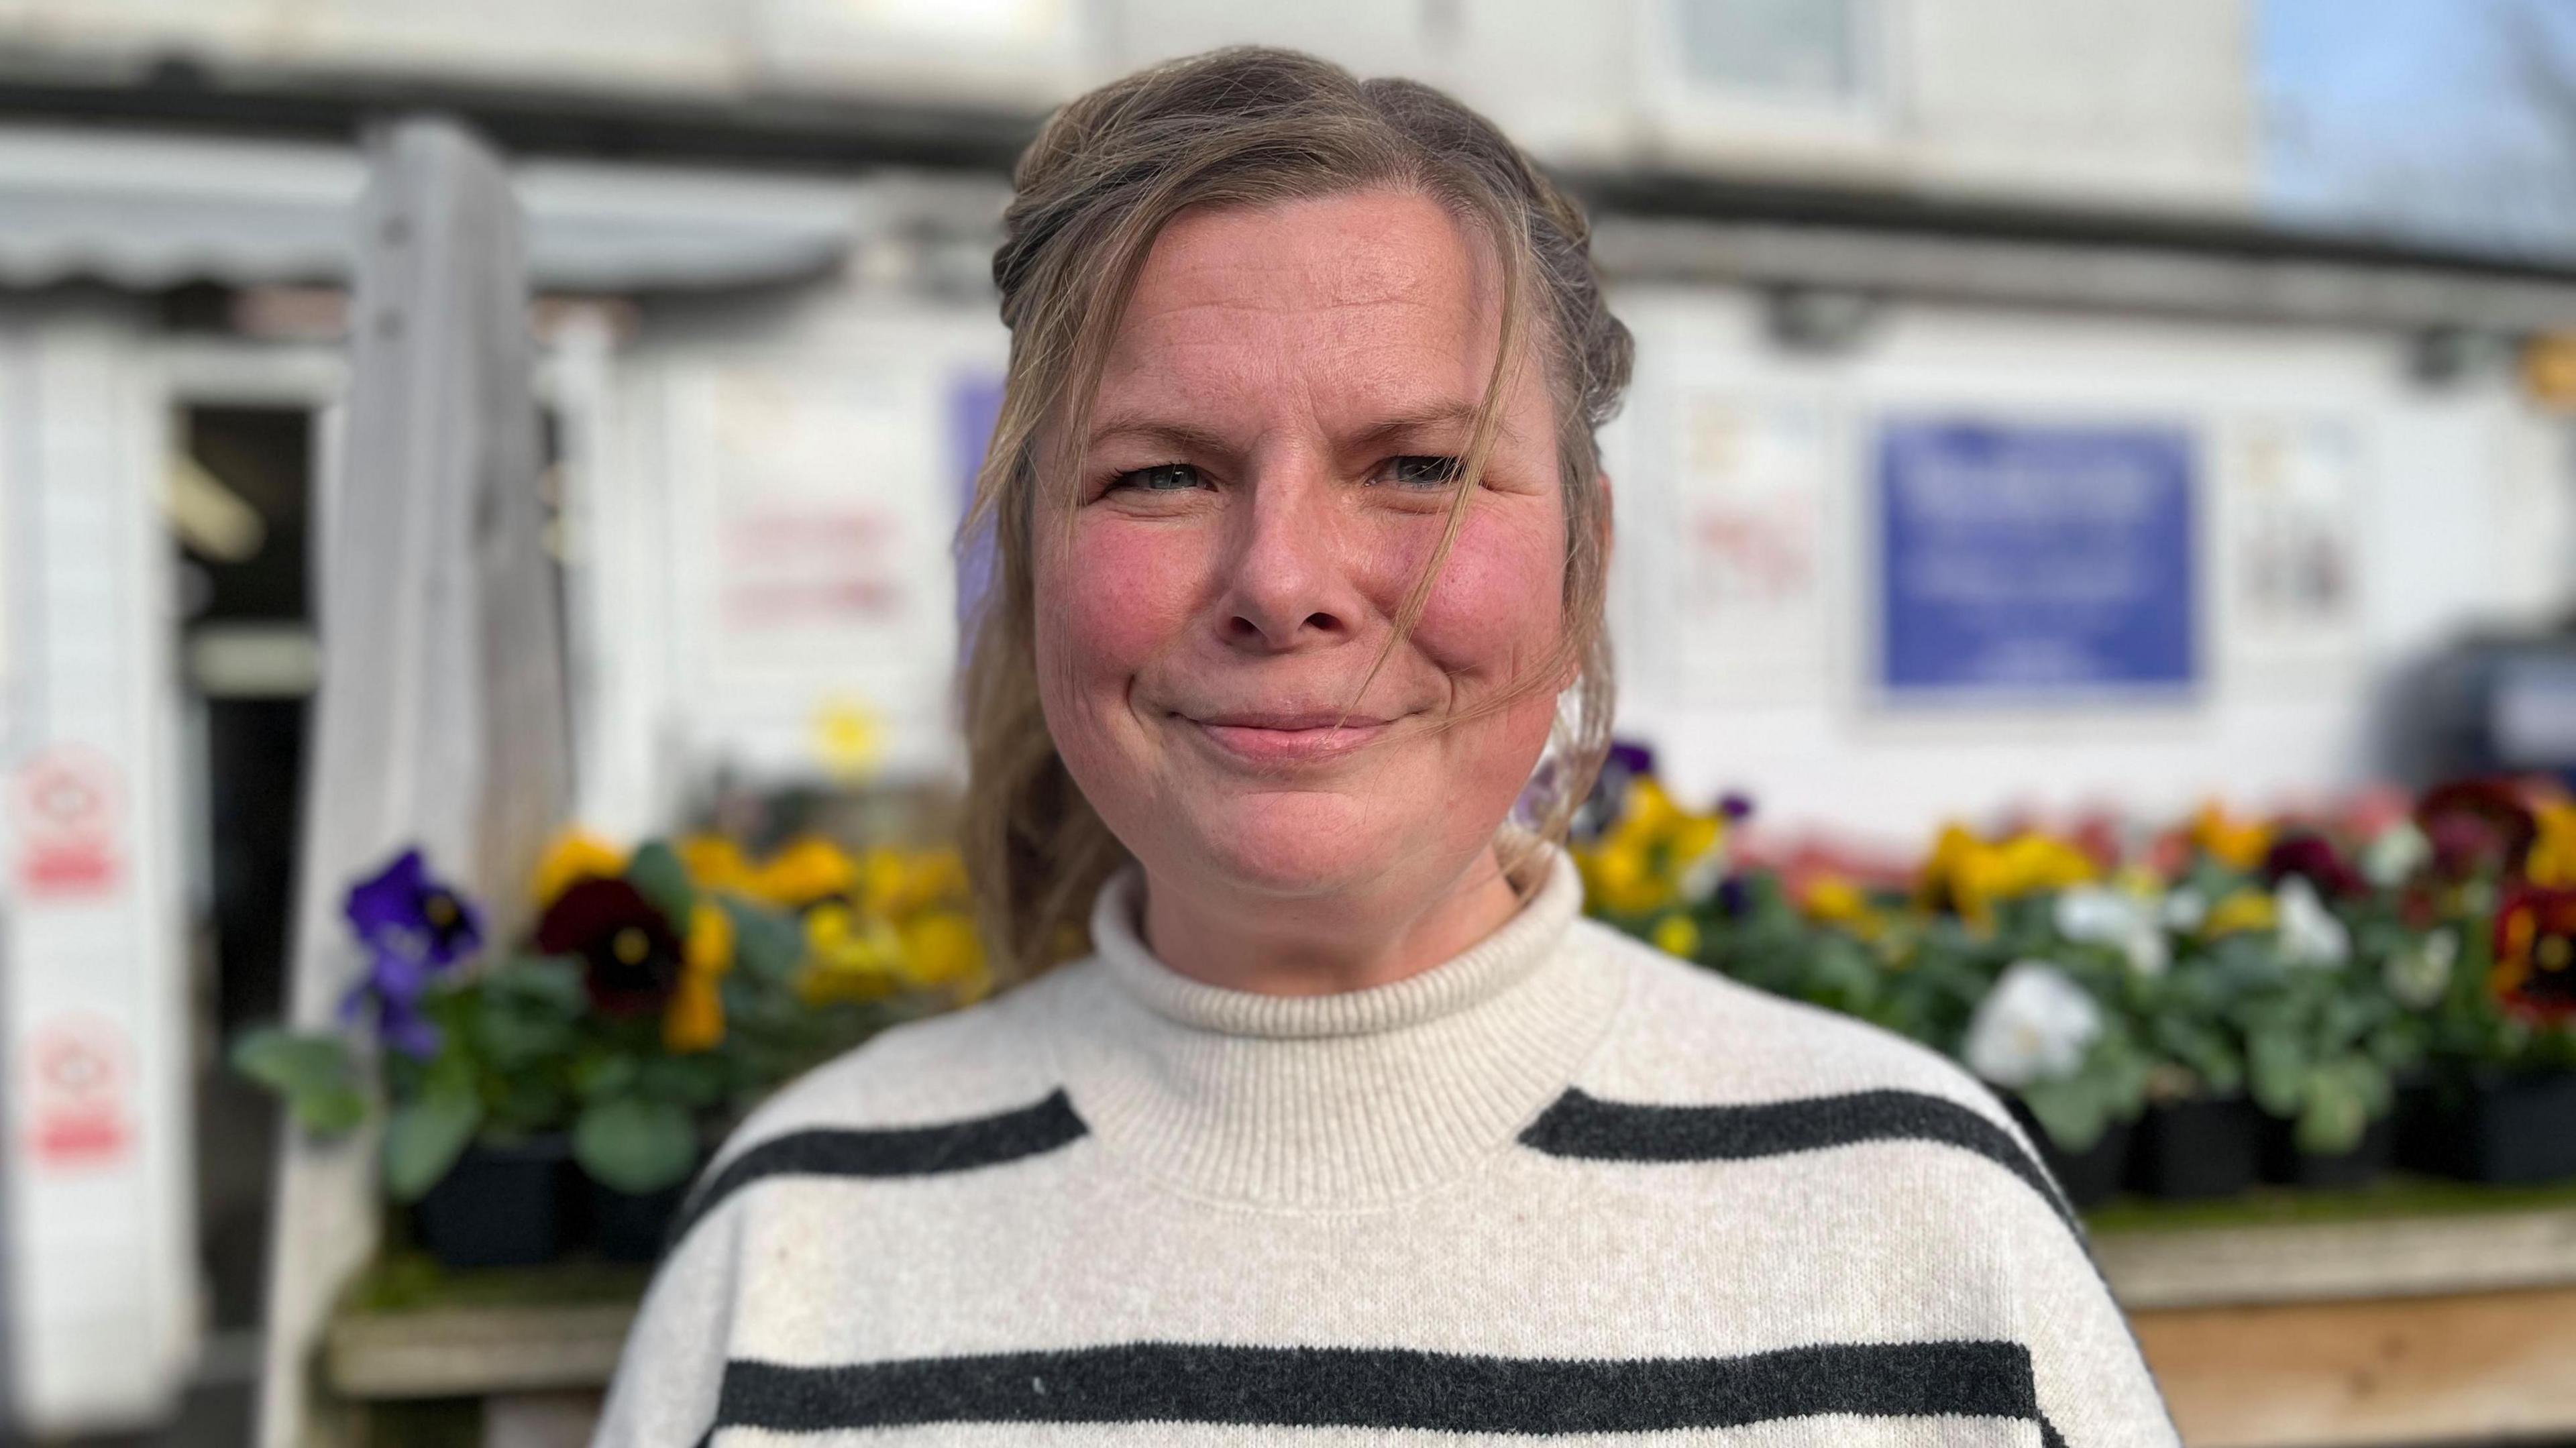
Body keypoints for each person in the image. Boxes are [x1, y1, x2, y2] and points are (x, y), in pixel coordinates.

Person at [596, 46, 2177, 1447]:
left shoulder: (1915, 1225)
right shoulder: (797, 1244)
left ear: (1585, 563)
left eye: (1418, 464)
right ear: (1033, 561)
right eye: (1161, 477)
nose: (1281, 582)